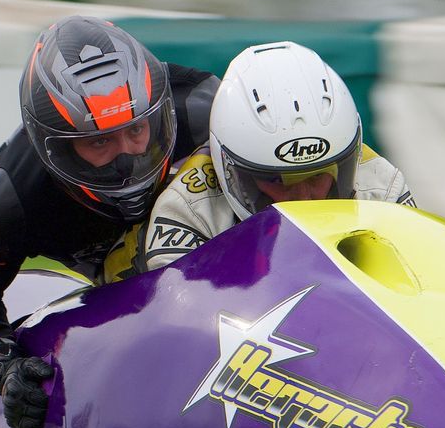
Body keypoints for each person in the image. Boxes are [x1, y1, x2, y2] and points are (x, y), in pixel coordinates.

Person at [0, 15, 218, 428]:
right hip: (125, 294)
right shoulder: (7, 197)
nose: (129, 158)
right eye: (100, 142)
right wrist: (4, 369)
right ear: (56, 147)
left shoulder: (206, 109)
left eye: (136, 130)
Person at [136, 40, 412, 274]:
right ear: (229, 170)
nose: (304, 198)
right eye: (281, 182)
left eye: (317, 176)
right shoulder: (188, 209)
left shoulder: (383, 189)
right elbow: (179, 315)